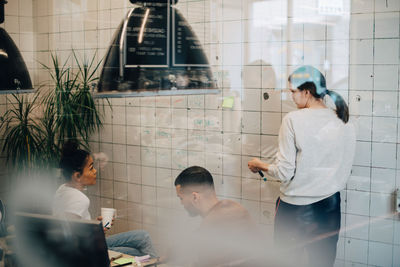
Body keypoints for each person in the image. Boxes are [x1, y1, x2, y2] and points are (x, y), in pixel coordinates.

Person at [248, 65, 356, 267]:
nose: (291, 97)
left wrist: (259, 165)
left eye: (292, 92)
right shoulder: (344, 121)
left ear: (307, 92)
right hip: (329, 206)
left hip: (294, 209)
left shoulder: (293, 119)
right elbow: (344, 168)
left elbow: (284, 172)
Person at [53, 141, 157, 257]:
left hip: (90, 244)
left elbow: (73, 228)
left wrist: (96, 226)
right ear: (77, 176)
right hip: (89, 252)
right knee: (140, 247)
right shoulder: (79, 198)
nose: (95, 171)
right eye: (91, 168)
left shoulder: (62, 190)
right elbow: (70, 237)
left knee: (141, 240)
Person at [173, 166, 267, 267]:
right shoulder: (233, 207)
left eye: (181, 198)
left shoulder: (209, 229)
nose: (182, 203)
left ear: (195, 197)